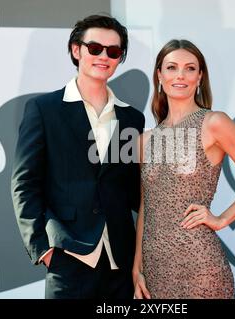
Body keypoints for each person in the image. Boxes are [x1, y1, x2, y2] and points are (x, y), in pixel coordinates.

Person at [11, 14, 145, 299]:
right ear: (76, 50)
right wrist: (42, 249)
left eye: (113, 51)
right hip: (67, 258)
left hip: (120, 261)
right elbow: (24, 183)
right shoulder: (44, 109)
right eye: (94, 48)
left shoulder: (132, 118)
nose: (103, 57)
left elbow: (132, 190)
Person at [132, 39, 235, 299]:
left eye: (190, 68)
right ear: (159, 76)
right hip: (154, 269)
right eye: (172, 68)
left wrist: (221, 219)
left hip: (200, 267)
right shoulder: (145, 140)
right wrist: (137, 267)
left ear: (200, 77)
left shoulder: (214, 123)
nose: (180, 75)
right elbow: (145, 206)